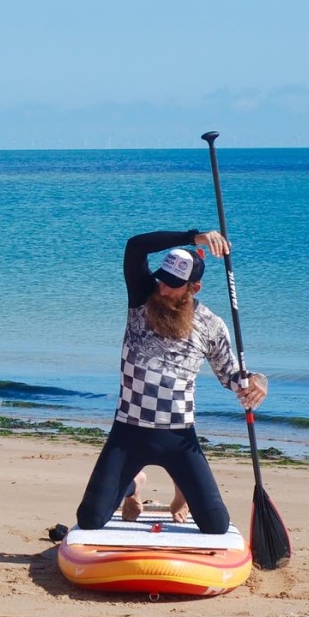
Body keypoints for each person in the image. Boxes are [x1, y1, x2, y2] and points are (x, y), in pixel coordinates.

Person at [72, 228, 267, 535]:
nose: (162, 288)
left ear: (195, 287)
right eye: (162, 278)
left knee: (216, 526)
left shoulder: (211, 326)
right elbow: (135, 246)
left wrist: (255, 381)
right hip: (128, 432)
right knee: (89, 520)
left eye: (174, 285)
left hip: (179, 438)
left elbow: (231, 375)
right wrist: (193, 237)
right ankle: (134, 485)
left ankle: (180, 492)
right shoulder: (141, 298)